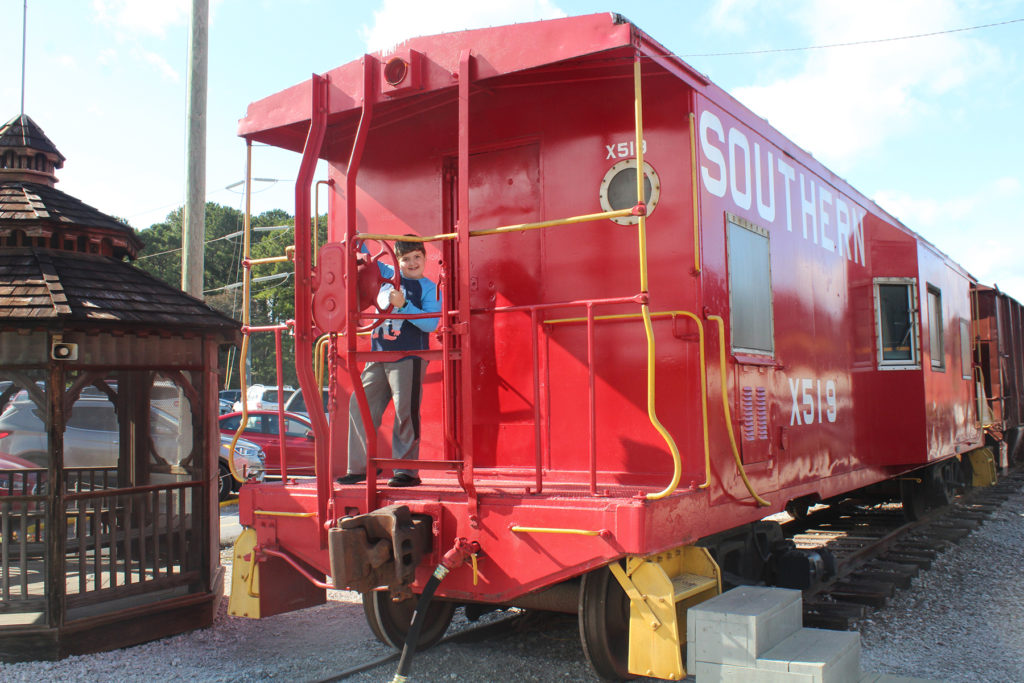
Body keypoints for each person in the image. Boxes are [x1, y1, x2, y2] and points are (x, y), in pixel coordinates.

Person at [337, 238, 441, 487]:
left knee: (405, 411)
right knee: (359, 405)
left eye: (417, 257)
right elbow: (361, 257)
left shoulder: (428, 288)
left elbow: (431, 323)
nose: (412, 263)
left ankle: (406, 472)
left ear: (425, 258)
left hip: (409, 357)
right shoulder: (386, 273)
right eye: (405, 258)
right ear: (397, 260)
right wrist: (355, 238)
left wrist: (403, 305)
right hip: (379, 355)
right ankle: (360, 468)